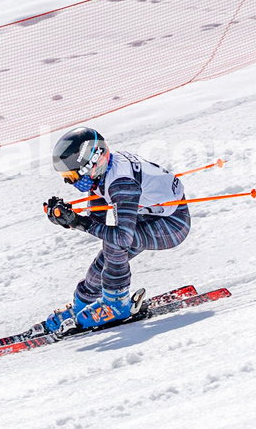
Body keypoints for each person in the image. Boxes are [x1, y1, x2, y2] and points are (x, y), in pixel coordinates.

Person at [41, 127, 191, 334]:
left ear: (92, 164)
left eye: (72, 175)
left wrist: (79, 222)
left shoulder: (121, 184)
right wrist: (67, 219)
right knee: (104, 261)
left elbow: (122, 237)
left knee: (114, 244)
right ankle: (82, 305)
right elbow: (95, 221)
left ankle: (117, 304)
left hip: (171, 224)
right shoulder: (100, 175)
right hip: (148, 214)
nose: (69, 181)